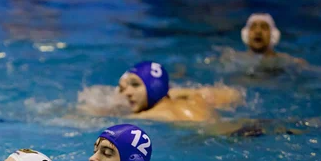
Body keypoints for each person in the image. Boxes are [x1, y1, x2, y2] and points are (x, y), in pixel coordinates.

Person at [78, 61, 242, 122]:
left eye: (135, 85)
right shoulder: (195, 98)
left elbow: (101, 117)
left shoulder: (154, 114)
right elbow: (236, 94)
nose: (126, 93)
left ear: (154, 87)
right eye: (123, 89)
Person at [239, 13, 307, 65]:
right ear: (246, 34)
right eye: (253, 27)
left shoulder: (288, 62)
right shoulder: (234, 58)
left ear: (273, 35)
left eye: (264, 27)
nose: (258, 32)